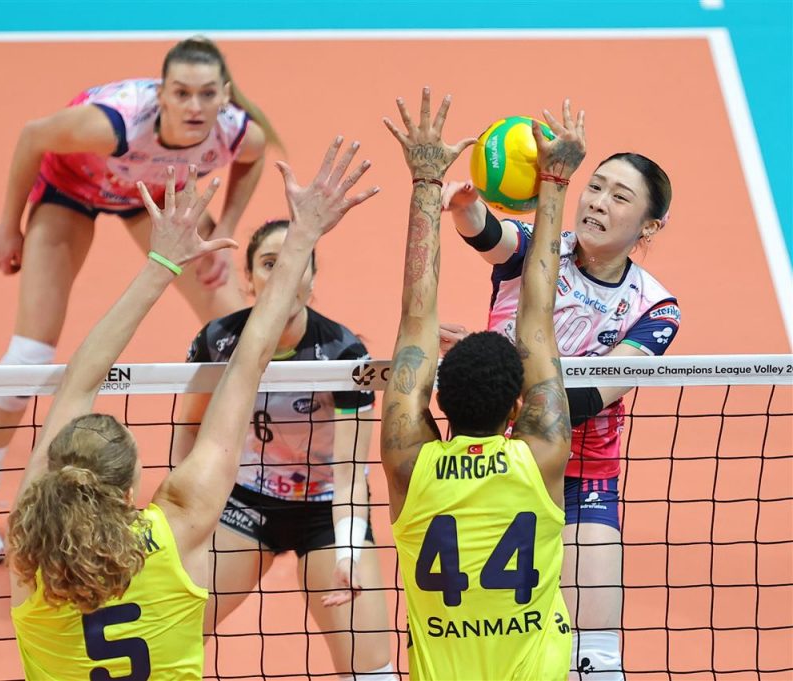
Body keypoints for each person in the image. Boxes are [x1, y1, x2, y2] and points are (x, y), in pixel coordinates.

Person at [7, 141, 378, 680]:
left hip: (320, 509)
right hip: (248, 509)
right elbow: (247, 366)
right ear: (131, 483)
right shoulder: (174, 535)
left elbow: (75, 387)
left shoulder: (27, 557)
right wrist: (302, 239)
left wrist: (160, 265)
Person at [0, 37, 280, 563]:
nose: (194, 106)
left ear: (224, 96)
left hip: (154, 198)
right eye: (181, 93)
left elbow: (254, 157)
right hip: (71, 192)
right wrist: (9, 225)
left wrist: (229, 225)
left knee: (238, 331)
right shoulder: (113, 125)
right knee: (30, 354)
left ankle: (234, 475)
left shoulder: (238, 130)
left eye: (206, 94)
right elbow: (33, 136)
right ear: (161, 94)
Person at [441, 134, 678, 680]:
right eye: (594, 187)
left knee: (595, 660)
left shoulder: (655, 307)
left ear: (648, 227)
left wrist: (488, 369)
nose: (598, 202)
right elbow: (490, 233)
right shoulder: (538, 248)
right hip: (494, 466)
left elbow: (590, 399)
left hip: (582, 476)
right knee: (489, 647)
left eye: (620, 196)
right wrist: (464, 204)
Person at [380, 90, 585, 679]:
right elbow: (537, 322)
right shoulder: (541, 456)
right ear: (518, 407)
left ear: (437, 397)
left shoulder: (409, 463)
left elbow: (415, 324)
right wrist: (554, 182)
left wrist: (427, 182)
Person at [172, 218, 395, 680]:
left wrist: (348, 553)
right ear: (249, 278)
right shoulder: (218, 343)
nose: (284, 273)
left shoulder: (343, 354)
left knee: (373, 671)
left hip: (326, 510)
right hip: (245, 505)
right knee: (169, 631)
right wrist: (184, 518)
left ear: (312, 277)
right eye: (270, 263)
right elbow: (189, 426)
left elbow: (351, 475)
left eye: (295, 262)